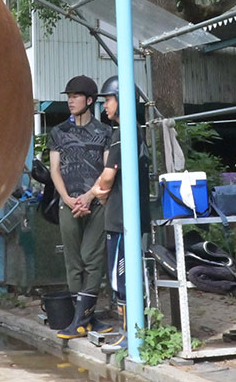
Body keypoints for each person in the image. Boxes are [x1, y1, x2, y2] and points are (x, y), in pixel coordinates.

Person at [48, 75, 111, 339]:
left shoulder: (105, 132)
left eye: (75, 96)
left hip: (95, 204)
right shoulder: (58, 132)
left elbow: (108, 170)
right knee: (72, 261)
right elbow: (54, 169)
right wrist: (67, 198)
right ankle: (84, 318)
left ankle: (80, 320)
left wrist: (88, 196)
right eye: (68, 96)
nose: (70, 100)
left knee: (92, 258)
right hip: (69, 204)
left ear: (89, 100)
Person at [92, 75, 149, 352]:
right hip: (126, 217)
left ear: (122, 101)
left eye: (109, 100)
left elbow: (106, 178)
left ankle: (131, 335)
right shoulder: (133, 131)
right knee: (125, 277)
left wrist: (95, 194)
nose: (105, 106)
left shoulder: (123, 133)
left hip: (121, 218)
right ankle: (133, 332)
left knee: (121, 278)